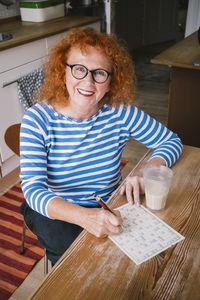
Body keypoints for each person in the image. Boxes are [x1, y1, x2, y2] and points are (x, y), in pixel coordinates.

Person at [19, 27, 183, 266]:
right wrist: (85, 217)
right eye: (79, 69)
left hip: (108, 203)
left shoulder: (120, 113)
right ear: (62, 72)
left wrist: (144, 170)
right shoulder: (38, 119)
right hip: (56, 209)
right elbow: (33, 190)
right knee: (79, 263)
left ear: (111, 81)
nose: (88, 81)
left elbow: (171, 141)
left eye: (99, 73)